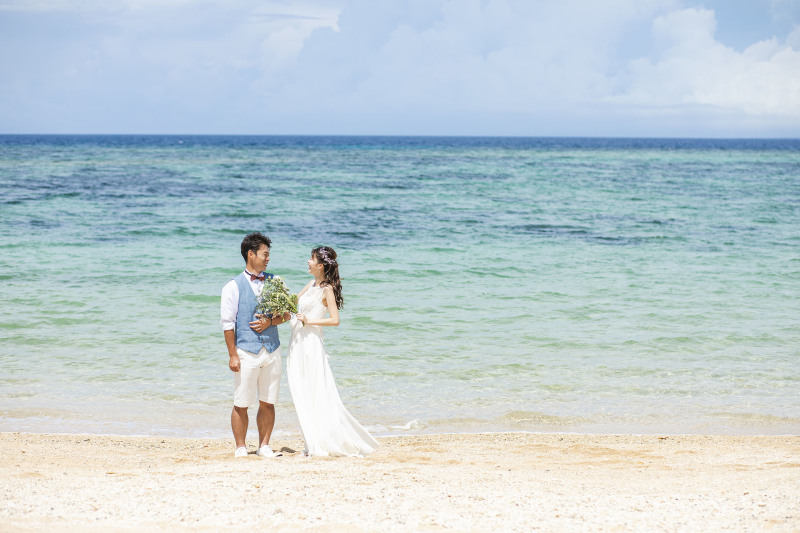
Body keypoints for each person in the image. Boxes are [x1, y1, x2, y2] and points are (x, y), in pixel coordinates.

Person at [287, 246, 379, 457]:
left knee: (315, 390)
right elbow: (292, 304)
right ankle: (311, 441)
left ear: (320, 265)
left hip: (311, 343)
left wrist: (309, 320)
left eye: (310, 259)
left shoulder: (326, 289)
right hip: (297, 341)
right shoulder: (310, 284)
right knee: (300, 389)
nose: (307, 262)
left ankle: (319, 443)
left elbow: (335, 320)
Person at [220, 232, 290, 458]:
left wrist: (271, 321)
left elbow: (288, 315)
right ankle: (241, 447)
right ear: (251, 254)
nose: (268, 259)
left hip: (272, 348)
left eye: (268, 255)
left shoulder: (276, 281)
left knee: (268, 401)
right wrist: (233, 355)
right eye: (264, 254)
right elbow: (228, 324)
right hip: (246, 350)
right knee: (241, 401)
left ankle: (264, 446)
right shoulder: (232, 286)